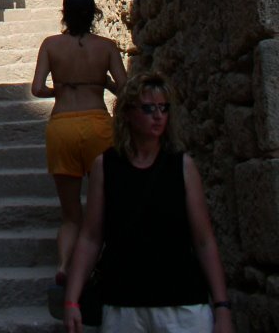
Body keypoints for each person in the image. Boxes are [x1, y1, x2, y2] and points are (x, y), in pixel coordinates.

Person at [64, 72, 234, 333]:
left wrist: (221, 307)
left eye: (163, 108)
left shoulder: (182, 166)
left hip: (182, 306)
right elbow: (90, 237)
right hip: (124, 305)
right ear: (128, 113)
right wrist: (72, 300)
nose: (158, 115)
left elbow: (203, 240)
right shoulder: (106, 166)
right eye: (148, 108)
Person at [31, 0, 127, 280]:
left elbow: (37, 89)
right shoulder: (107, 47)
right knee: (108, 202)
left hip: (62, 126)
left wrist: (58, 89)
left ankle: (63, 266)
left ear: (65, 14)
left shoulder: (51, 45)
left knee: (71, 214)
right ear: (94, 13)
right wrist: (103, 85)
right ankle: (107, 260)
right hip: (98, 124)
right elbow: (126, 87)